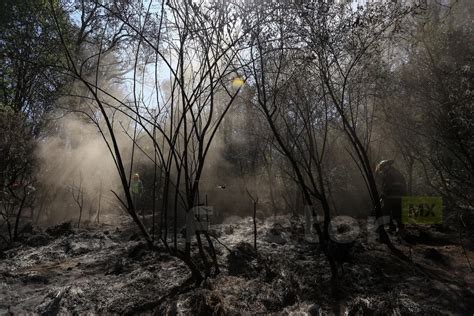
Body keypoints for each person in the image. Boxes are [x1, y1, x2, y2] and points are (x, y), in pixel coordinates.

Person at [375, 160, 407, 232]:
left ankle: (391, 226)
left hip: (391, 196)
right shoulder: (398, 172)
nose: (382, 170)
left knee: (385, 211)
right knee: (398, 212)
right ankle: (401, 228)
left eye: (382, 168)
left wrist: (383, 194)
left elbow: (387, 186)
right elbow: (404, 184)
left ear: (386, 166)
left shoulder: (388, 174)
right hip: (400, 196)